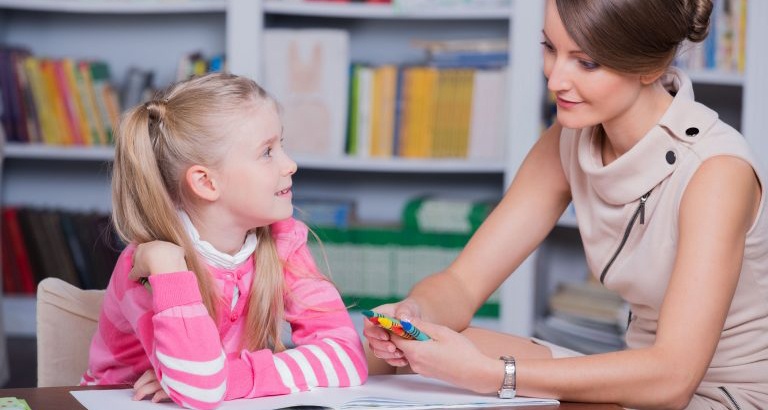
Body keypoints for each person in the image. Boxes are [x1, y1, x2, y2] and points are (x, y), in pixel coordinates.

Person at [364, 0, 768, 409]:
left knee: (469, 378)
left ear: (650, 66)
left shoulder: (716, 172)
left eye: (586, 62)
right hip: (637, 384)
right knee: (406, 357)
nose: (555, 79)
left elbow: (673, 379)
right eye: (550, 48)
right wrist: (415, 315)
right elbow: (463, 283)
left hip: (718, 396)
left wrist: (494, 375)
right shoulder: (572, 137)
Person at [82, 73, 367, 409]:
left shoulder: (283, 239)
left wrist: (229, 377)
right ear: (206, 183)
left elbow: (347, 357)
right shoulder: (151, 265)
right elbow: (202, 390)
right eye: (267, 152)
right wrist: (169, 270)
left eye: (281, 145)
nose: (290, 164)